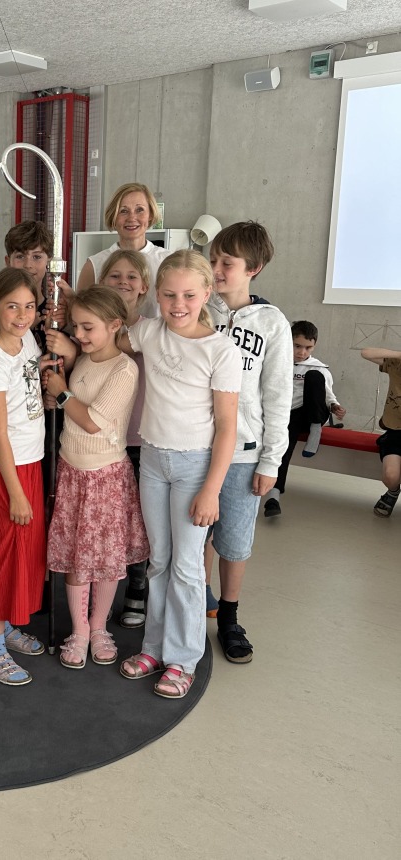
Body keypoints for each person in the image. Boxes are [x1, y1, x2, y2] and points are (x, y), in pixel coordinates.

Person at [117, 250, 241, 698]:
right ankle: (154, 648)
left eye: (189, 295)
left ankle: (183, 660)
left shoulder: (220, 350)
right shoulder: (149, 331)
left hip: (194, 467)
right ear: (156, 294)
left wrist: (211, 490)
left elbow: (227, 427)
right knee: (159, 561)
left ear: (207, 294)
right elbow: (108, 341)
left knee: (187, 568)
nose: (178, 304)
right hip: (152, 460)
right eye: (169, 295)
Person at [43, 286, 149, 669]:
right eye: (76, 326)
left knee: (105, 558)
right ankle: (80, 629)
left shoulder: (124, 369)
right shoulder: (85, 358)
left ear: (115, 324)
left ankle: (99, 626)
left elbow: (92, 421)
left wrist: (62, 393)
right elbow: (71, 406)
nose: (79, 335)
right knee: (78, 556)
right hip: (72, 472)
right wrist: (56, 394)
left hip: (104, 477)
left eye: (88, 328)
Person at [203, 222, 292, 663]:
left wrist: (271, 461)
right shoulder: (200, 309)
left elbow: (277, 396)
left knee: (234, 541)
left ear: (253, 268)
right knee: (195, 534)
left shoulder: (272, 323)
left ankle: (229, 616)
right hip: (196, 447)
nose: (217, 270)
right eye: (213, 260)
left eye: (227, 263)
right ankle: (195, 602)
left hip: (243, 453)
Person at [0, 268, 50, 685]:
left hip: (30, 460)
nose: (22, 315)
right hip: (4, 471)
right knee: (4, 555)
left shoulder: (28, 341)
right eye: (12, 307)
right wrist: (16, 493)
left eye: (29, 306)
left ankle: (4, 626)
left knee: (24, 551)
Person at [99, 250, 153, 628]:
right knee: (105, 520)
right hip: (103, 442)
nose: (123, 282)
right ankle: (101, 589)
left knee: (140, 521)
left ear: (144, 286)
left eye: (132, 276)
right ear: (103, 282)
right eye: (115, 275)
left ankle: (137, 586)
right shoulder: (92, 328)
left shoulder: (153, 330)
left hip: (141, 440)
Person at [265, 320, 346, 518]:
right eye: (297, 346)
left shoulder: (319, 368)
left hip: (313, 414)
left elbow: (328, 395)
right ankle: (273, 496)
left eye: (308, 347)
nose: (302, 352)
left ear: (314, 346)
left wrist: (334, 406)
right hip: (289, 415)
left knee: (314, 376)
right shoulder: (277, 361)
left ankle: (316, 428)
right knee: (283, 447)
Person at [0, 220, 68, 369]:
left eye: (37, 257)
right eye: (20, 256)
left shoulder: (55, 311)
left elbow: (62, 364)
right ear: (8, 261)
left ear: (48, 262)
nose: (28, 264)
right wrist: (20, 329)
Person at [76, 182, 170, 315]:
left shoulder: (167, 261)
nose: (132, 218)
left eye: (139, 210)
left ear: (150, 215)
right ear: (114, 217)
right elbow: (81, 313)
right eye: (123, 211)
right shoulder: (94, 265)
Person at [360, 346, 401, 517]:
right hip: (396, 432)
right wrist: (399, 355)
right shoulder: (396, 364)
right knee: (390, 476)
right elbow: (366, 352)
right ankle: (393, 492)